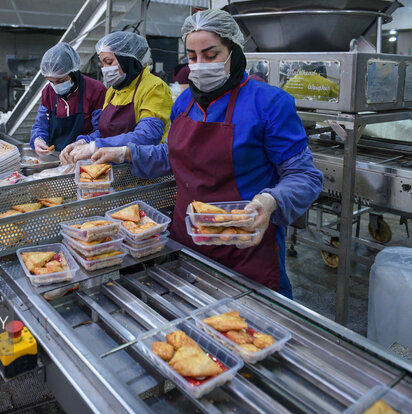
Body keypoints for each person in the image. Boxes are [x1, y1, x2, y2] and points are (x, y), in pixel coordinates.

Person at [92, 10, 323, 299]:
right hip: (186, 241)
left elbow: (304, 176)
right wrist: (126, 152)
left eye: (211, 55)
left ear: (234, 52)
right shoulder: (185, 102)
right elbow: (172, 155)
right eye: (192, 56)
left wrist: (269, 201)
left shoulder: (270, 103)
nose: (199, 65)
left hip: (244, 247)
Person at [60, 31, 173, 164]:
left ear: (127, 60)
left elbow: (147, 136)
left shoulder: (154, 87)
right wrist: (84, 141)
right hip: (116, 167)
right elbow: (106, 132)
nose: (105, 69)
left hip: (144, 168)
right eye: (102, 64)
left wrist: (94, 147)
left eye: (109, 62)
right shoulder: (112, 91)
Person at [30, 42, 106, 154]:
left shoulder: (96, 90)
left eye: (60, 81)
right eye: (51, 81)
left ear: (73, 72)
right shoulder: (48, 92)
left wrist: (84, 142)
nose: (55, 86)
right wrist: (39, 139)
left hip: (85, 157)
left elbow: (104, 130)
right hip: (55, 155)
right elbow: (41, 124)